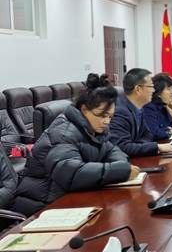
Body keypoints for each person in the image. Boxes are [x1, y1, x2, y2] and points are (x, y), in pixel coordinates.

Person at [12, 74, 139, 216]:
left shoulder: (93, 129)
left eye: (110, 116)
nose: (107, 121)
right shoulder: (63, 134)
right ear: (84, 109)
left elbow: (111, 150)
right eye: (102, 115)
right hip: (44, 207)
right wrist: (118, 170)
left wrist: (121, 165)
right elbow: (72, 174)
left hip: (68, 199)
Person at [109, 68, 172, 157]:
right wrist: (156, 147)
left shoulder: (139, 108)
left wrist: (140, 146)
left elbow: (148, 135)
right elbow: (122, 147)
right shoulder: (120, 112)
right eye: (151, 86)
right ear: (138, 89)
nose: (154, 90)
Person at [143, 73, 172, 141]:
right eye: (168, 89)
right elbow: (155, 133)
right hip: (157, 145)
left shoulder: (162, 106)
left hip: (165, 142)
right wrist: (168, 132)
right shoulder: (148, 108)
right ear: (158, 92)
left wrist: (167, 130)